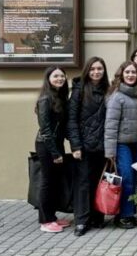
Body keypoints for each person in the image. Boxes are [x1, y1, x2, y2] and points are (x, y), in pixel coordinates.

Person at [67, 57, 110, 236]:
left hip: (103, 145)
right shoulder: (79, 90)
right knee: (83, 183)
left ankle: (97, 217)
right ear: (87, 71)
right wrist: (75, 145)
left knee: (98, 181)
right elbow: (71, 120)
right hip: (84, 146)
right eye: (92, 69)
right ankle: (82, 221)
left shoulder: (109, 90)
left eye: (99, 69)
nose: (96, 72)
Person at [104, 61, 137, 230]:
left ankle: (131, 213)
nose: (130, 75)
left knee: (134, 179)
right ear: (121, 75)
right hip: (122, 145)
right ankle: (124, 216)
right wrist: (110, 152)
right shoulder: (117, 96)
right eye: (127, 72)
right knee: (126, 178)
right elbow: (110, 125)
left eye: (133, 72)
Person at [34, 66, 71, 233]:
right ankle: (45, 220)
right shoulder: (45, 99)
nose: (59, 79)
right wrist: (55, 153)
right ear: (48, 79)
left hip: (57, 144)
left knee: (55, 181)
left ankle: (52, 216)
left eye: (62, 76)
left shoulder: (59, 97)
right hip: (46, 145)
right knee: (47, 182)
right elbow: (45, 130)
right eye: (55, 76)